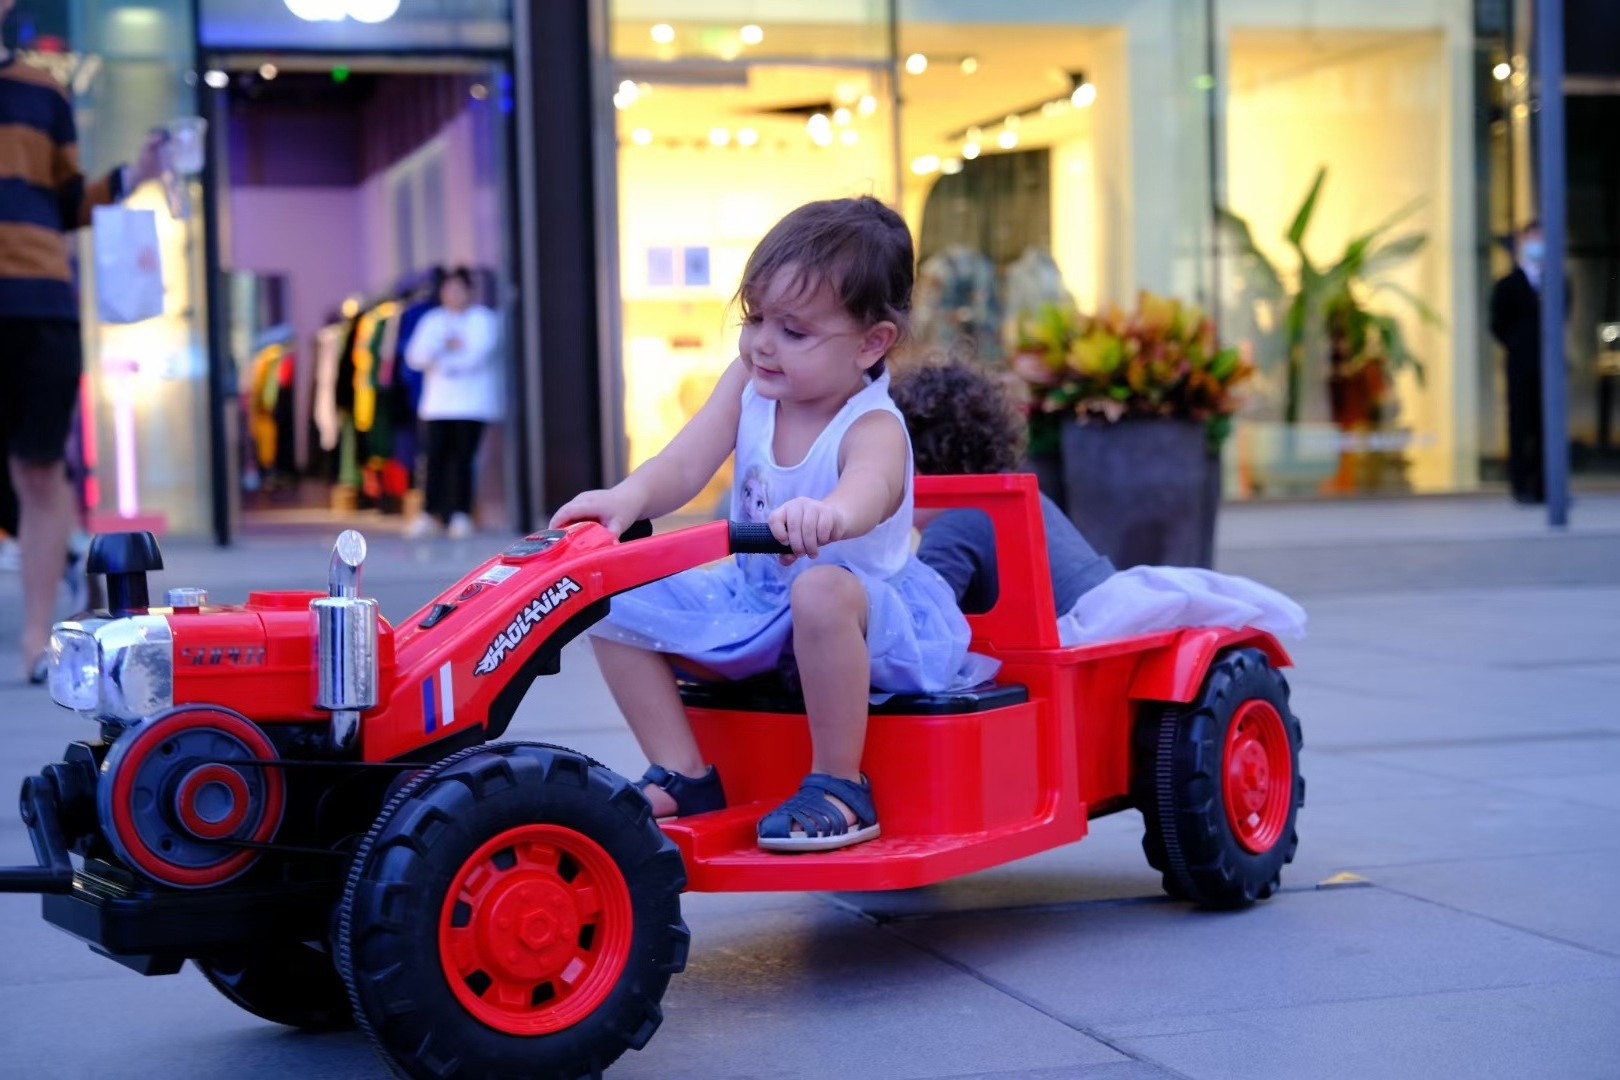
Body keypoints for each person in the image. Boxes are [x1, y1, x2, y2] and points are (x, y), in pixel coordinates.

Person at [550, 196, 991, 853]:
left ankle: (840, 784)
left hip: (863, 619)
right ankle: (685, 772)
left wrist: (830, 514)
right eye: (755, 317)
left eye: (794, 330)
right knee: (604, 592)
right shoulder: (750, 386)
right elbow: (684, 461)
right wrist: (627, 498)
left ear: (871, 342)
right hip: (757, 601)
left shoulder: (873, 425)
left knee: (821, 589)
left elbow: (869, 491)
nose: (763, 343)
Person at [891, 361, 1306, 645]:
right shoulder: (1011, 499)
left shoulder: (955, 522)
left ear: (926, 468)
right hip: (1108, 602)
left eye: (889, 470)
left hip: (1074, 635)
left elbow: (924, 621)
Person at [1, 11, 162, 682]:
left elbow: (69, 201)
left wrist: (137, 174)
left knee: (40, 472)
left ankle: (37, 640)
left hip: (39, 302)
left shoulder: (43, 90)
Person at [402, 266, 501, 540]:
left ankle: (461, 513)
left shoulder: (484, 320)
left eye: (459, 288)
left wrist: (446, 355)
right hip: (437, 406)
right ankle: (429, 513)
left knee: (463, 459)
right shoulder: (432, 320)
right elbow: (415, 356)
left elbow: (476, 356)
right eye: (448, 289)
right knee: (433, 460)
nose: (453, 295)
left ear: (470, 291)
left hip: (472, 405)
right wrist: (444, 348)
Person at [1488, 221, 1554, 505]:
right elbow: (1498, 325)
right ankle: (1520, 485)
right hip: (1520, 364)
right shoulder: (1507, 284)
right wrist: (1518, 345)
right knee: (1520, 423)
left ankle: (1544, 485)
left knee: (1546, 425)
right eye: (1532, 238)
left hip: (1548, 365)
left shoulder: (1556, 281)